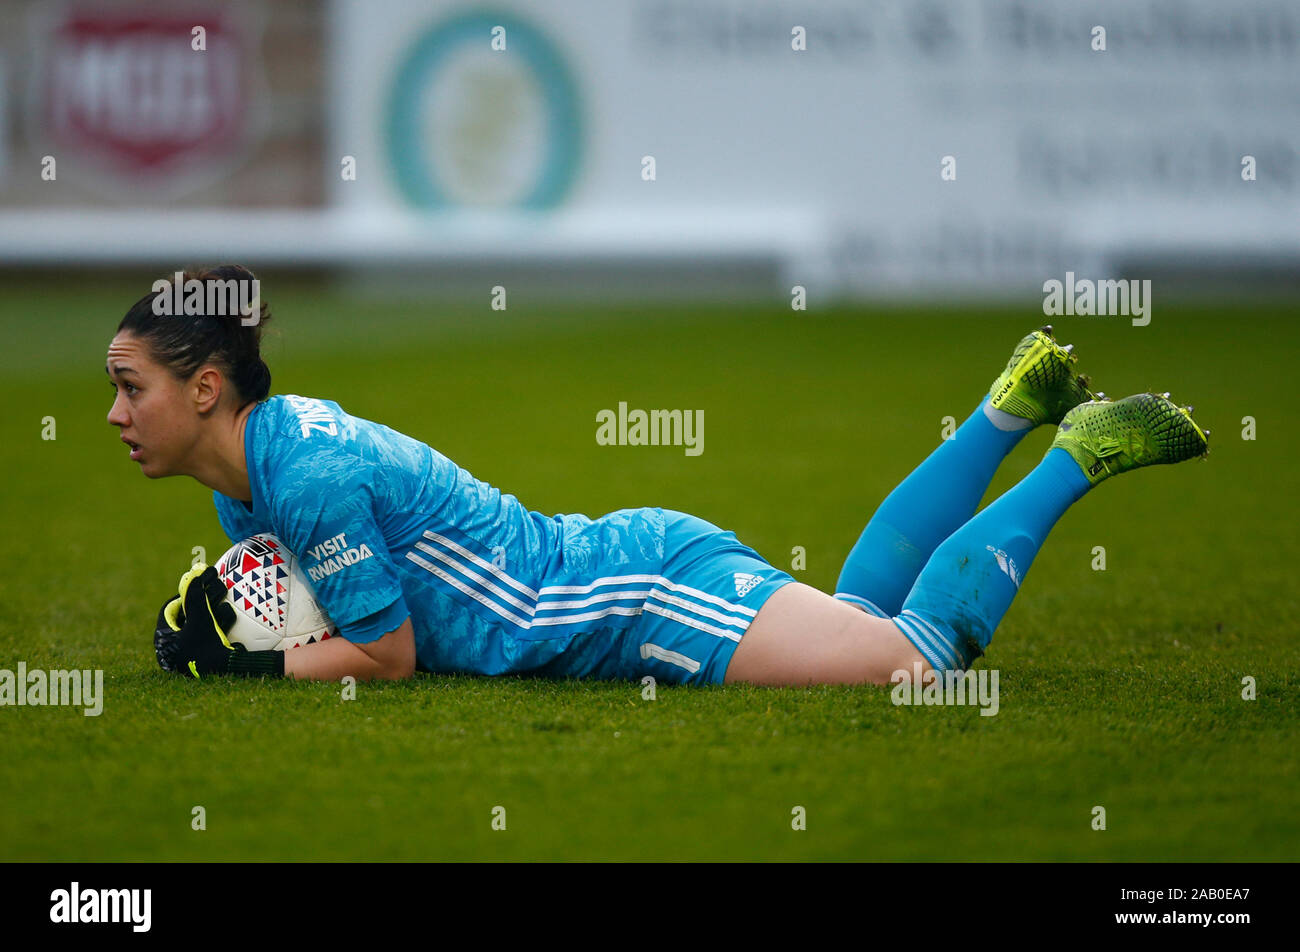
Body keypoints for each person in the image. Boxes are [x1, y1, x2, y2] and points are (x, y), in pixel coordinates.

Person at [110, 266, 1209, 688]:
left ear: (206, 386)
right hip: (617, 570)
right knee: (860, 609)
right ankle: (1010, 405)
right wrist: (240, 620)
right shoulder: (260, 462)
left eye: (129, 386)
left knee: (910, 664)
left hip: (631, 599)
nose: (115, 415)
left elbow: (386, 652)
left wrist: (249, 668)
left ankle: (1078, 451)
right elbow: (310, 600)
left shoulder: (299, 474)